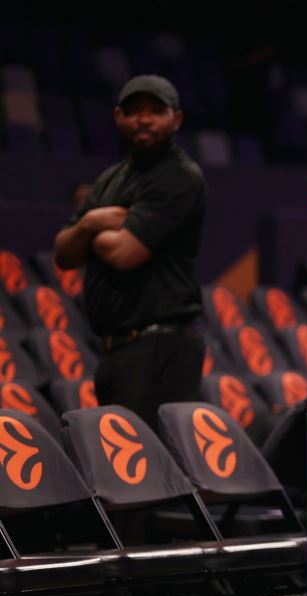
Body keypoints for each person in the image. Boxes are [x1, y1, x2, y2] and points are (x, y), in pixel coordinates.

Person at [53, 75, 206, 429]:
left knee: (142, 459)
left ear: (176, 119)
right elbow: (63, 254)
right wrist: (92, 221)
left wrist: (86, 233)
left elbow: (124, 254)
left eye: (156, 111)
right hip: (116, 350)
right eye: (134, 110)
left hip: (159, 349)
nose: (144, 119)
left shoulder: (178, 176)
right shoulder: (111, 179)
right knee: (118, 455)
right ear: (118, 116)